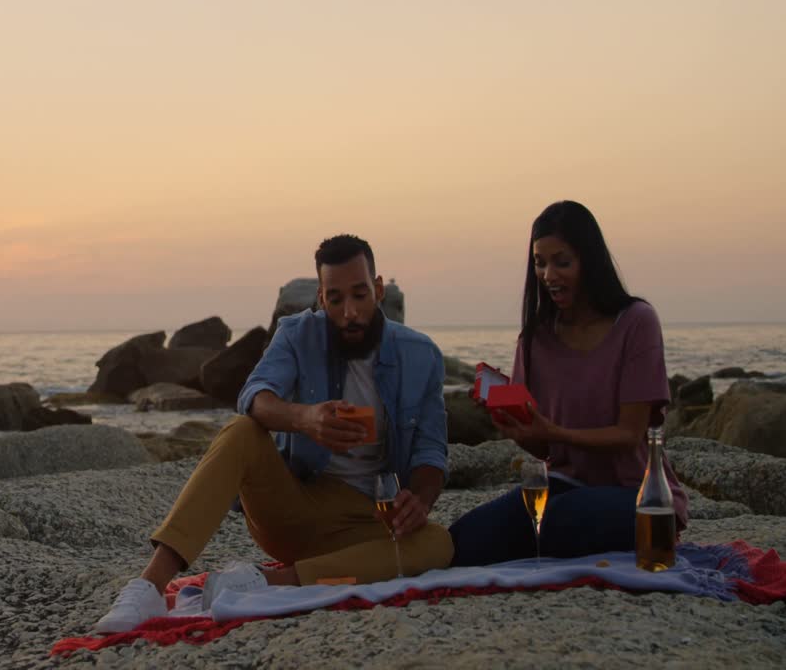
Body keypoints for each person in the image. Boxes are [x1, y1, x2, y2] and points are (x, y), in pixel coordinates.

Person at [95, 234, 453, 634]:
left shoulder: (420, 355)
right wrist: (306, 418)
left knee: (439, 544)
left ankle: (268, 582)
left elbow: (431, 450)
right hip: (295, 509)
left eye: (360, 295)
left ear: (379, 289)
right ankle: (149, 586)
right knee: (241, 431)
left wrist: (420, 500)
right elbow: (253, 396)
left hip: (370, 523)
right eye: (336, 300)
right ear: (321, 298)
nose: (350, 312)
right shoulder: (297, 335)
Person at [448, 200, 688, 566]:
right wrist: (515, 427)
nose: (548, 275)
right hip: (564, 486)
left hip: (637, 495)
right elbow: (544, 448)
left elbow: (628, 434)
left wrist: (554, 431)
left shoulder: (636, 322)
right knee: (464, 540)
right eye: (540, 263)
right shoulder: (535, 340)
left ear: (588, 261)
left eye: (561, 262)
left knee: (557, 520)